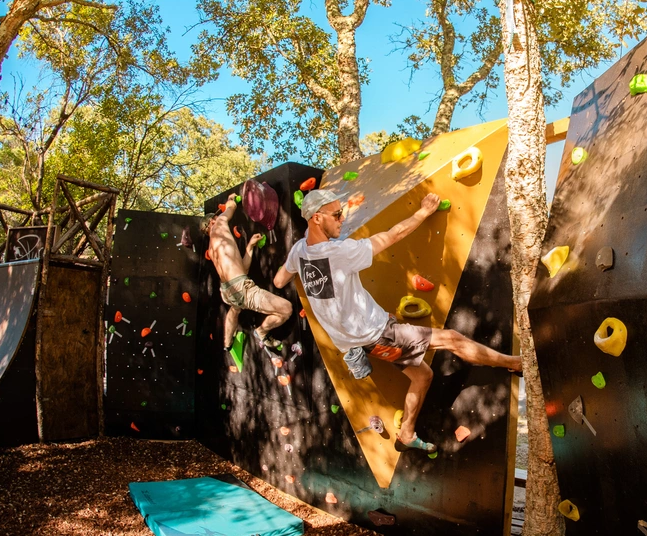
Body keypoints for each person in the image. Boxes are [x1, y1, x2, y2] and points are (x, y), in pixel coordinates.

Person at [273, 188, 521, 452]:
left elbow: (279, 280)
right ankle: (514, 363)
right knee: (452, 339)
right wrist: (424, 211)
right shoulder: (339, 252)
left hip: (363, 340)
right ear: (317, 218)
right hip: (378, 334)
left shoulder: (299, 251)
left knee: (423, 376)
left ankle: (406, 433)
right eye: (336, 214)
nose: (342, 218)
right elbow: (392, 236)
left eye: (342, 212)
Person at [201, 194, 293, 353]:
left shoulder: (213, 247)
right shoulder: (219, 225)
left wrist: (249, 247)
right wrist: (231, 199)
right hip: (242, 288)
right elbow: (231, 207)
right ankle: (262, 332)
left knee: (235, 310)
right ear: (212, 222)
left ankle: (227, 343)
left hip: (228, 290)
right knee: (286, 309)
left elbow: (241, 270)